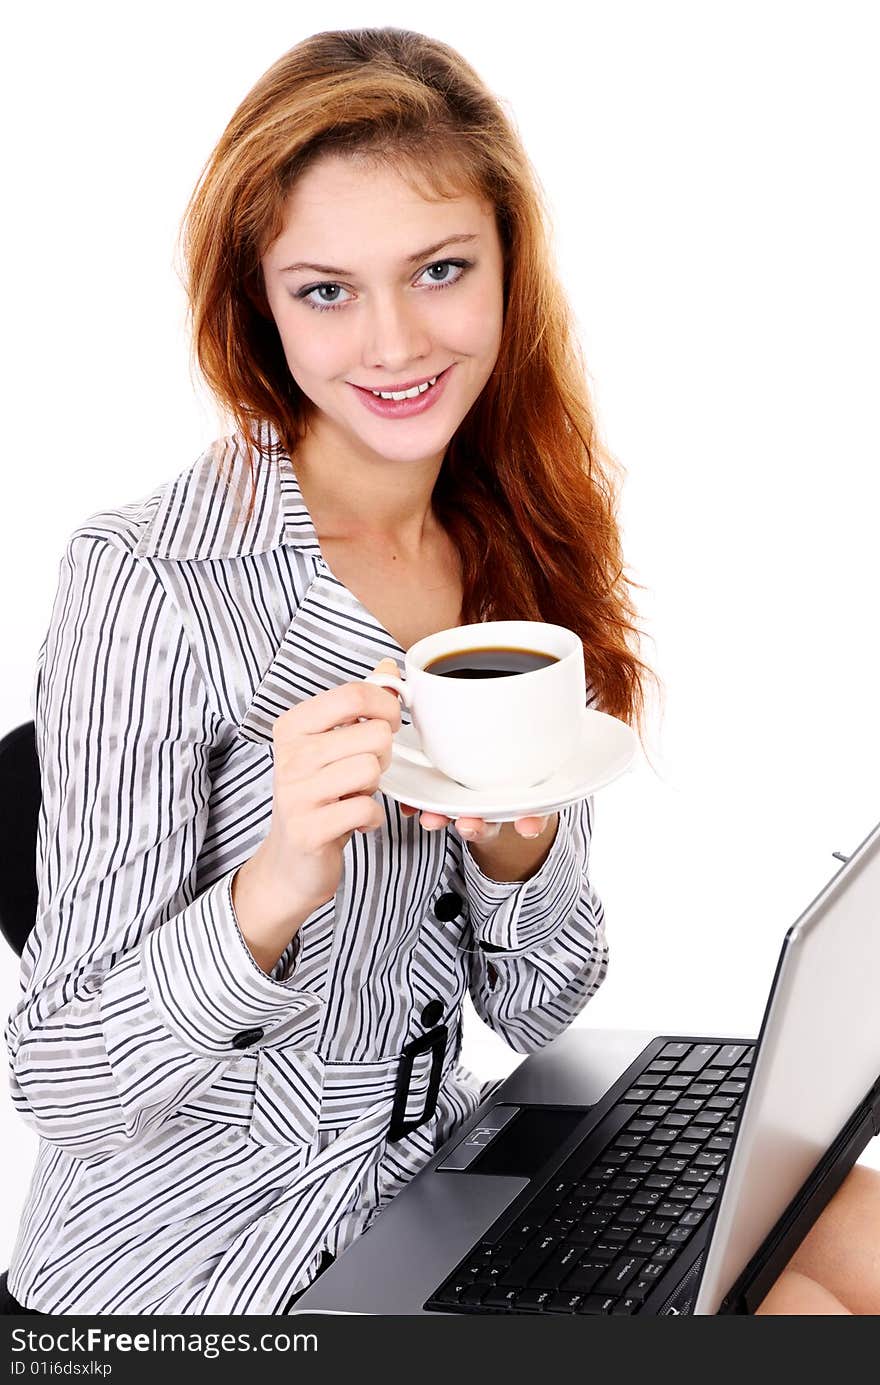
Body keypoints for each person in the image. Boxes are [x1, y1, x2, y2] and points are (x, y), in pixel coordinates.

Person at [3, 27, 878, 1317]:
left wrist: (520, 854)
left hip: (437, 1181)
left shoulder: (503, 546)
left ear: (508, 269)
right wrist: (273, 889)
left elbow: (543, 1005)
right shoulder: (153, 579)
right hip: (204, 1269)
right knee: (798, 1321)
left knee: (857, 1225)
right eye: (327, 290)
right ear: (257, 300)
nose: (397, 342)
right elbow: (61, 1080)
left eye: (440, 271)